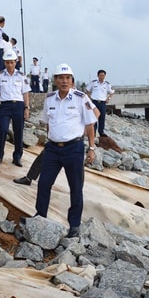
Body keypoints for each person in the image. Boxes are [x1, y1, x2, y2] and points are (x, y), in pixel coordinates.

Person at [34, 64, 97, 238]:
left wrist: (91, 148)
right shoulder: (49, 99)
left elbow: (90, 124)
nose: (64, 81)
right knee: (44, 183)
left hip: (74, 149)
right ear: (55, 80)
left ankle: (74, 225)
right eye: (61, 78)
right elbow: (47, 122)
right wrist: (51, 138)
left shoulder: (80, 98)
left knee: (76, 187)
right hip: (53, 149)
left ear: (72, 80)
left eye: (68, 78)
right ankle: (40, 216)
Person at [14, 79, 100, 186]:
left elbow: (96, 113)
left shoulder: (80, 98)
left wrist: (84, 128)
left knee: (77, 166)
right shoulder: (54, 98)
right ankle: (29, 177)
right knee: (43, 156)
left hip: (73, 140)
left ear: (72, 84)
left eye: (69, 82)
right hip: (56, 140)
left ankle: (78, 191)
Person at [0, 49, 31, 167]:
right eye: (7, 62)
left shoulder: (21, 76)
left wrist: (27, 108)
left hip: (18, 106)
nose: (10, 65)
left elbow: (25, 93)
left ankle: (17, 157)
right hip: (5, 106)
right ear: (4, 63)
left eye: (12, 62)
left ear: (16, 62)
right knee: (2, 130)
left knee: (18, 132)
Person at [86, 69, 115, 137]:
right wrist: (89, 99)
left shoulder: (107, 84)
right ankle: (94, 132)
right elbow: (87, 90)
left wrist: (108, 98)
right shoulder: (93, 83)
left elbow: (112, 92)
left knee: (102, 118)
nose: (102, 77)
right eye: (100, 75)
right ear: (98, 75)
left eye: (103, 75)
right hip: (94, 102)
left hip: (102, 103)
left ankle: (101, 131)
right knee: (94, 117)